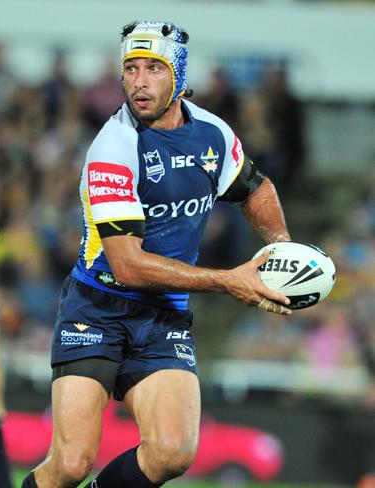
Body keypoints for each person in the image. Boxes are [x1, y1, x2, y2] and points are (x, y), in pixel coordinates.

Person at [21, 21, 292, 488]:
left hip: (164, 314)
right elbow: (127, 265)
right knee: (69, 465)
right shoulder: (113, 147)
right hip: (97, 310)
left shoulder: (212, 132)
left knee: (172, 453)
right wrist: (227, 280)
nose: (139, 81)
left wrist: (283, 247)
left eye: (153, 68)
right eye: (130, 69)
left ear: (179, 76)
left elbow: (254, 187)